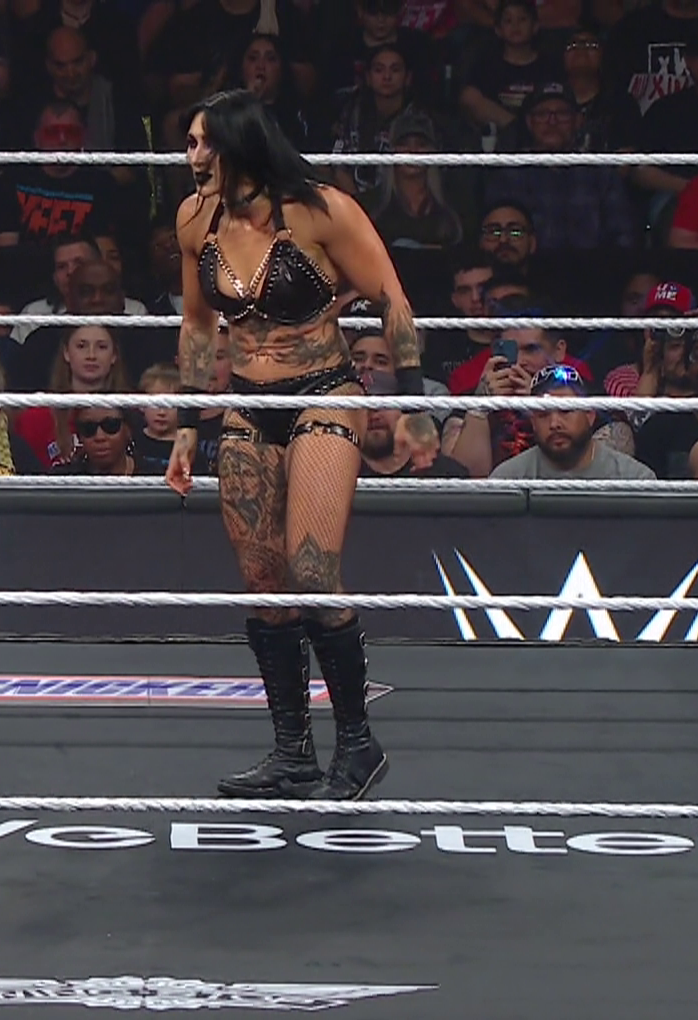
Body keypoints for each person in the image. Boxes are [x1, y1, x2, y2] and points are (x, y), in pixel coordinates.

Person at [167, 89, 422, 802]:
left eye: (204, 143)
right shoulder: (194, 220)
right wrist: (187, 422)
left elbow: (393, 300)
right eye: (188, 143)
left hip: (324, 392)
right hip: (250, 403)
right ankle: (293, 754)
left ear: (241, 145)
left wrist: (415, 406)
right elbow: (198, 325)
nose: (193, 158)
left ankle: (359, 744)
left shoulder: (321, 211)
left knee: (312, 573)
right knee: (263, 584)